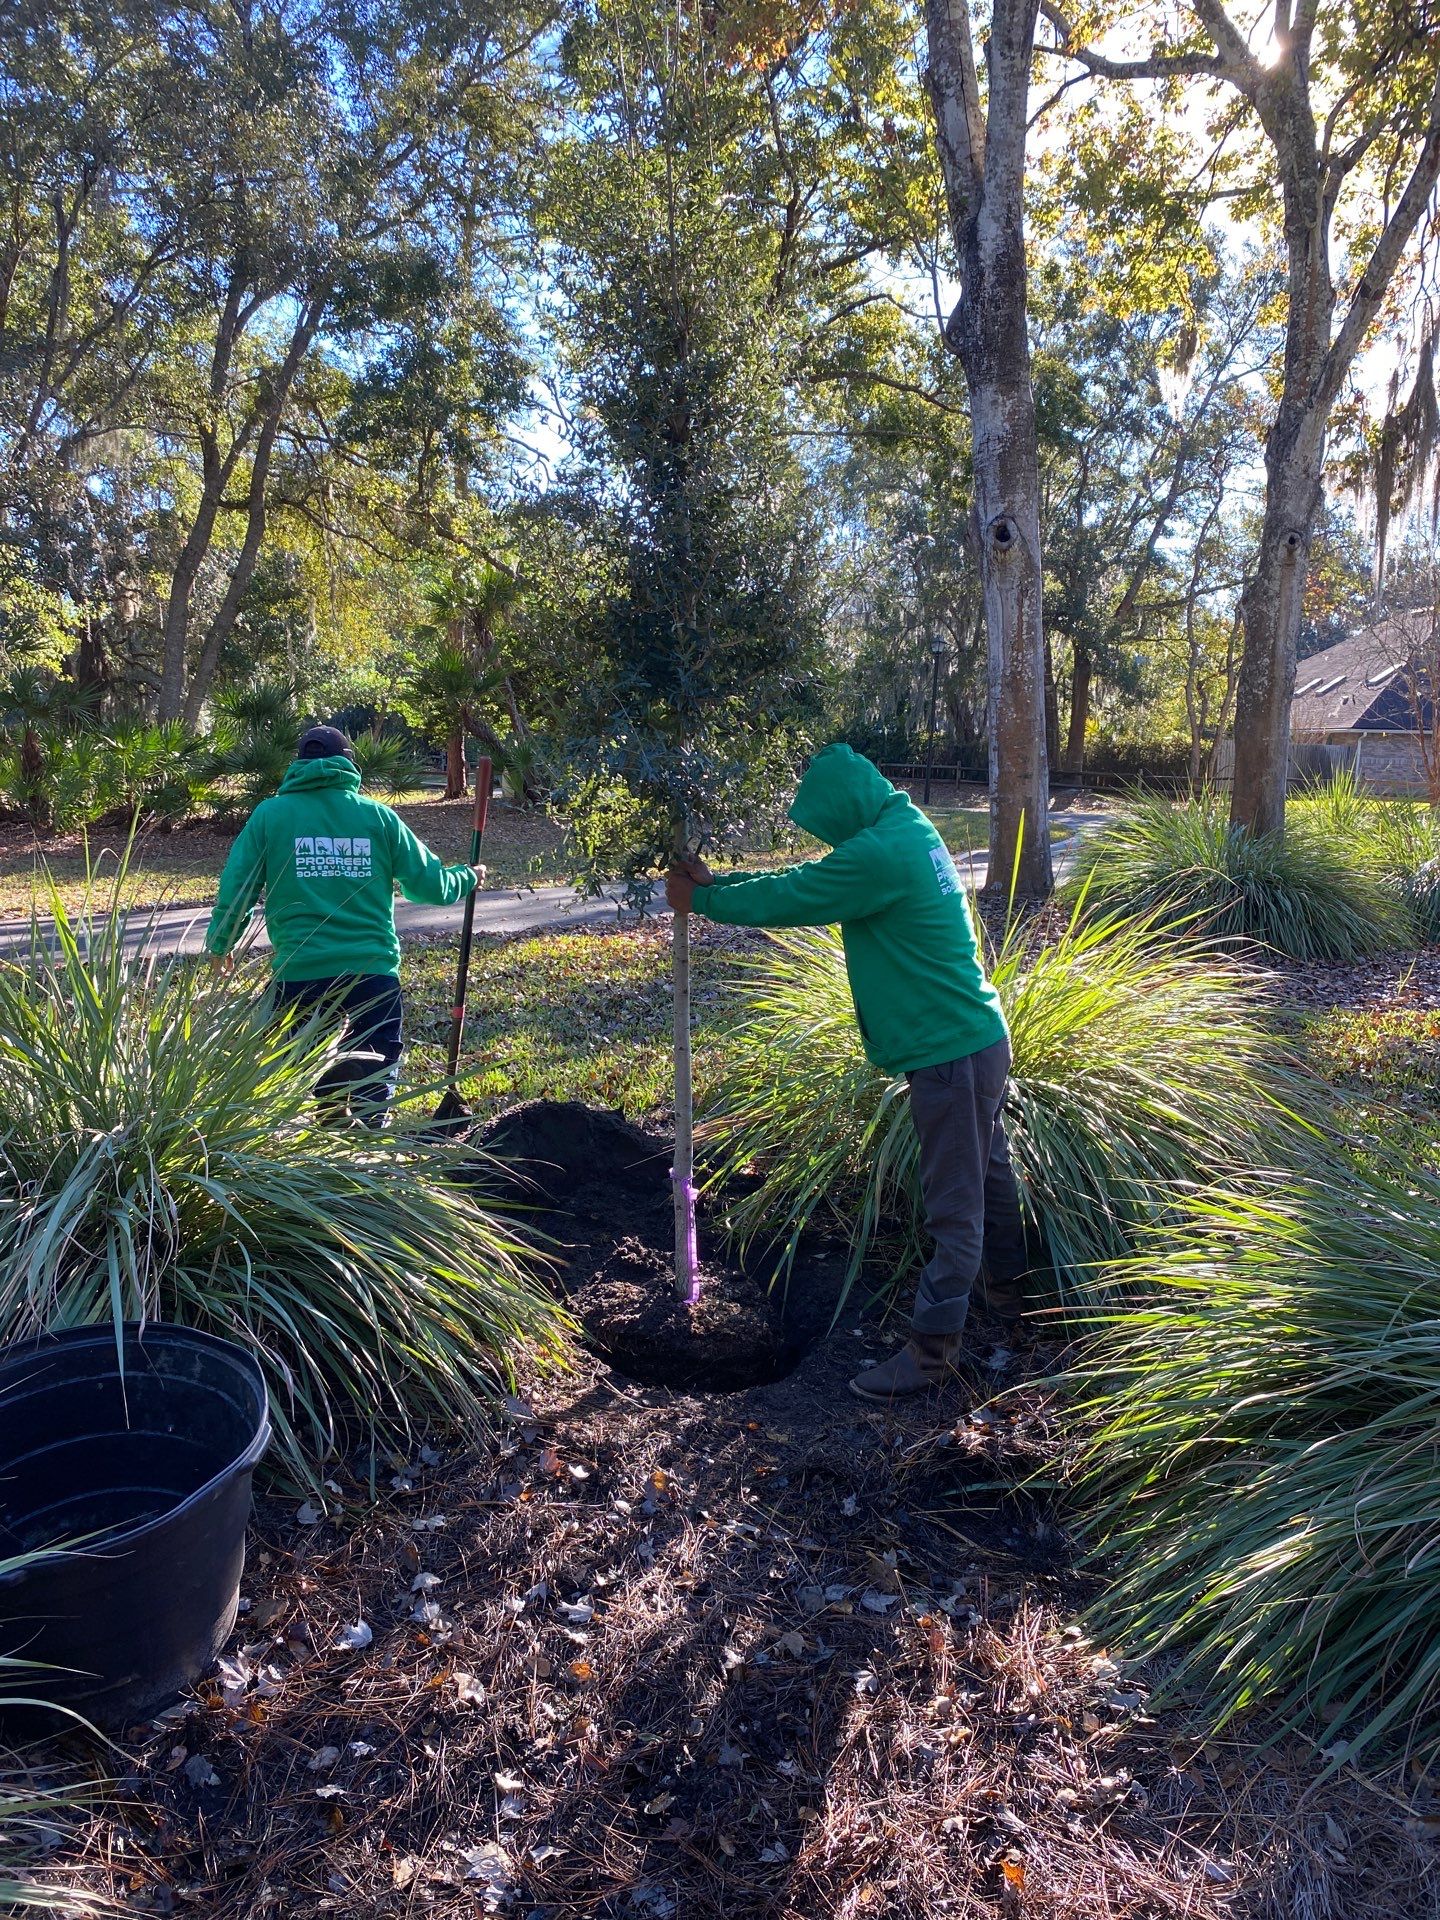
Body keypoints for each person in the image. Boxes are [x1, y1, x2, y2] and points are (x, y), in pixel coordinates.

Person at [665, 743, 1027, 1402]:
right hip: (974, 1042)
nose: (826, 837)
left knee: (956, 1207)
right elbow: (812, 875)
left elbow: (800, 893)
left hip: (950, 1057)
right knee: (988, 1173)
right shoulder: (905, 827)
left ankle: (932, 1353)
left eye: (825, 822)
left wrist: (706, 903)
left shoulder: (879, 854)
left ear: (843, 805)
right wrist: (718, 885)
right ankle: (1011, 1293)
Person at [205, 725, 482, 1126]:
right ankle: (363, 1143)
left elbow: (238, 888)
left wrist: (221, 943)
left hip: (301, 972)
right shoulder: (378, 817)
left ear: (298, 766)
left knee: (291, 1068)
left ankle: (324, 1108)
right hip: (371, 972)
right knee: (375, 1072)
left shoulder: (270, 816)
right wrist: (468, 877)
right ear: (348, 764)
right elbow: (429, 886)